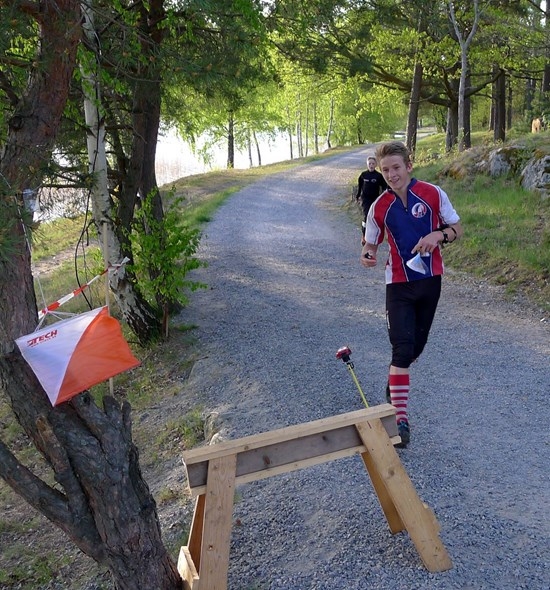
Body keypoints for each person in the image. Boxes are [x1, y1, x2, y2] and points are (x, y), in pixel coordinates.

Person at [360, 141, 463, 448]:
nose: (391, 175)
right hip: (399, 285)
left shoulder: (433, 193)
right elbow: (370, 244)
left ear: (408, 166)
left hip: (431, 280)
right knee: (402, 349)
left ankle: (395, 383)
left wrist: (437, 235)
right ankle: (400, 421)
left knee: (415, 349)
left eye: (396, 167)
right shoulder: (379, 206)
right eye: (385, 170)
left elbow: (457, 229)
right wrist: (367, 254)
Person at [355, 156, 387, 245]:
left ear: (376, 165)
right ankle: (364, 236)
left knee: (374, 217)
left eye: (373, 164)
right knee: (366, 216)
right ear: (367, 164)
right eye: (370, 164)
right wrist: (358, 196)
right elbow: (360, 187)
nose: (371, 165)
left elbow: (385, 187)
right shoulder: (363, 175)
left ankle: (373, 236)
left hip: (375, 199)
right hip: (365, 199)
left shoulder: (379, 176)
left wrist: (385, 196)